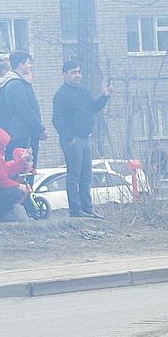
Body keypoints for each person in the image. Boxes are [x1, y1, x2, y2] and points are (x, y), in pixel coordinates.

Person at [52, 59, 112, 218]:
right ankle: (76, 210)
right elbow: (57, 120)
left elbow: (94, 108)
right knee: (75, 175)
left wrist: (104, 96)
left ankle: (88, 209)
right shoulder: (61, 95)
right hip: (72, 141)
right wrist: (69, 137)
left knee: (87, 176)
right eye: (73, 72)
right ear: (65, 74)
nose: (78, 75)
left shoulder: (83, 92)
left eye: (79, 72)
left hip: (86, 139)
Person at [0, 50, 47, 166]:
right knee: (24, 169)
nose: (30, 65)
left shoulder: (15, 83)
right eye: (28, 62)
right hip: (22, 134)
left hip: (21, 133)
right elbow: (25, 110)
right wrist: (40, 129)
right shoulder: (16, 84)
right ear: (20, 64)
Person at [0, 127, 34, 222]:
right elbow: (2, 181)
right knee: (15, 193)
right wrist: (19, 186)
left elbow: (3, 170)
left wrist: (21, 162)